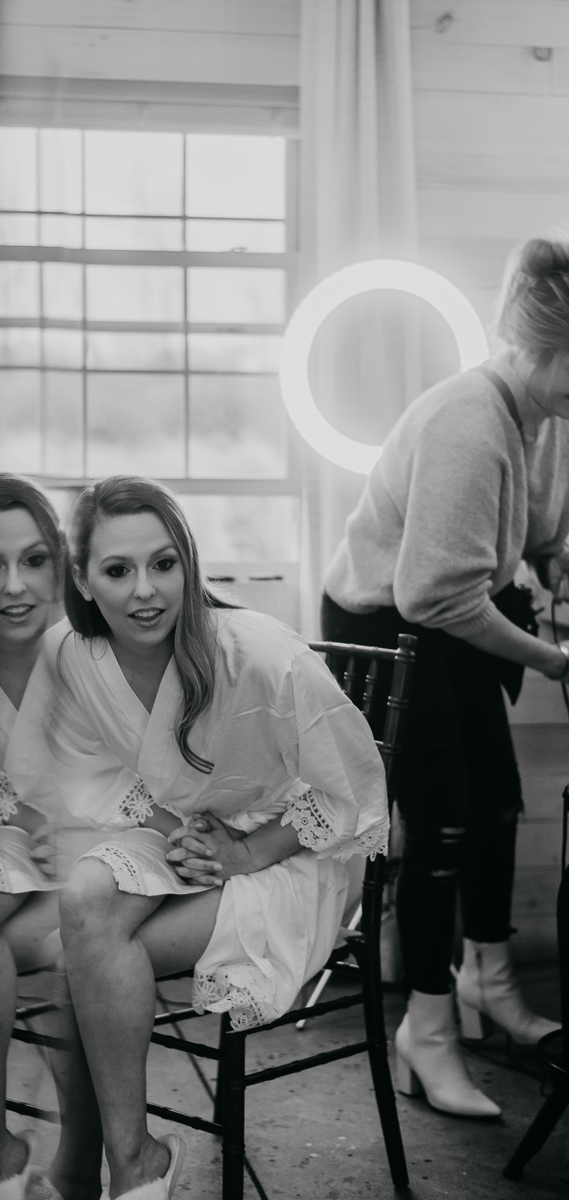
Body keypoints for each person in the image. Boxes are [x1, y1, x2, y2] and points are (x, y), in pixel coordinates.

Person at [28, 475, 389, 1200]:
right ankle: (134, 1165)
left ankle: (98, 1168)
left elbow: (356, 789)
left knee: (85, 945)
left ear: (190, 563)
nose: (146, 592)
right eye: (118, 570)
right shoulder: (74, 654)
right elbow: (92, 774)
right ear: (82, 578)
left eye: (164, 564)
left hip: (290, 854)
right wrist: (183, 834)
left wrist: (246, 853)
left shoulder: (261, 656)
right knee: (88, 898)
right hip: (177, 834)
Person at [321, 235, 569, 1118]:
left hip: (450, 614)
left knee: (499, 800)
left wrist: (554, 563)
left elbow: (532, 535)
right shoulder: (471, 421)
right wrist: (552, 660)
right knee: (443, 823)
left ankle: (489, 985)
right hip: (389, 623)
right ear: (540, 347)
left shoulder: (542, 415)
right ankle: (425, 1033)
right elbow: (432, 593)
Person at [0, 473, 84, 1200]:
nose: (16, 587)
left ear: (59, 562)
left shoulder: (90, 649)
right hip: (5, 844)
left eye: (34, 560)